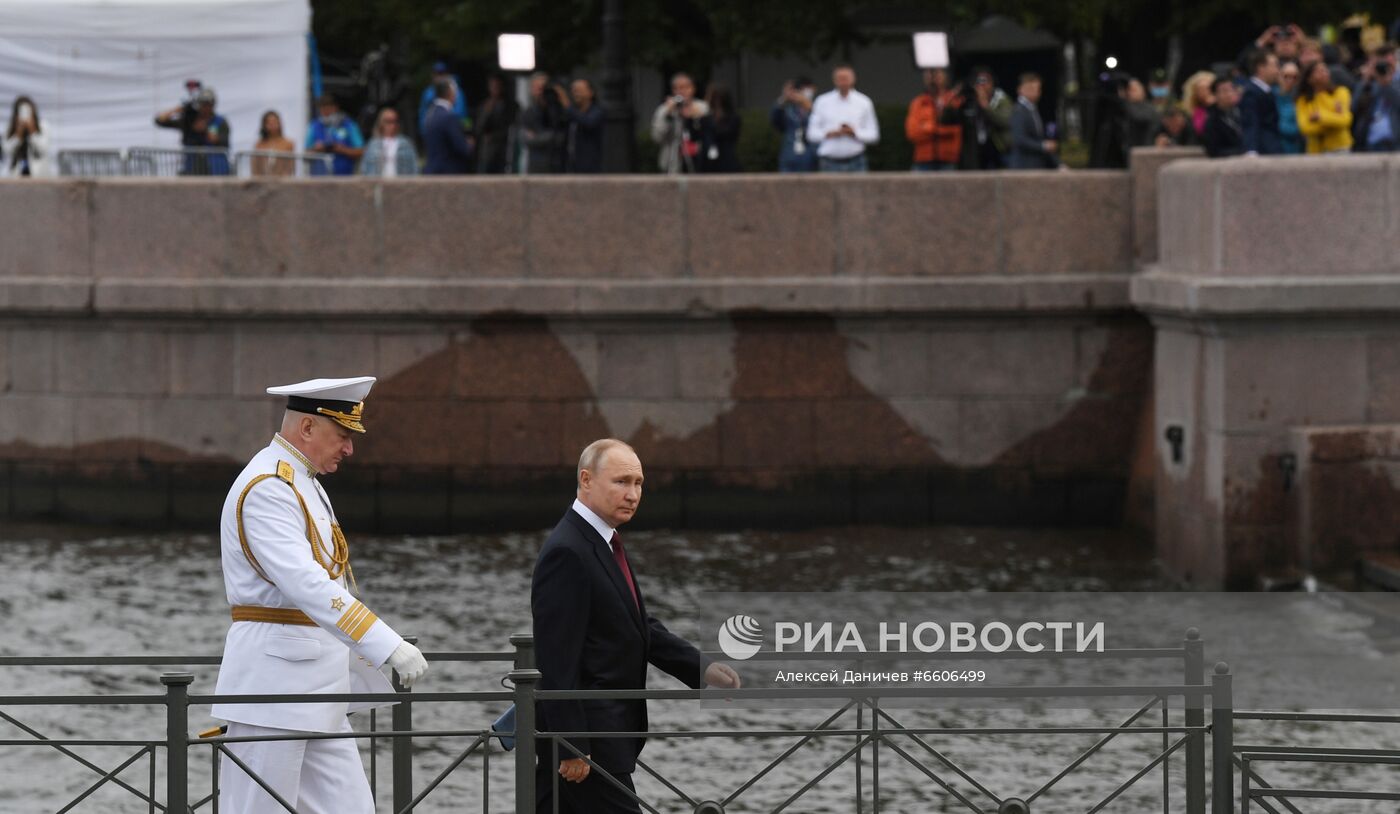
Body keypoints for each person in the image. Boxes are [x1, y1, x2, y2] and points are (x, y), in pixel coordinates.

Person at [214, 376, 428, 813]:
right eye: (342, 435)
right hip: (273, 692)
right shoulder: (269, 488)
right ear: (308, 428)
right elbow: (307, 583)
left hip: (317, 693)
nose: (349, 449)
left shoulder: (303, 482)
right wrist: (385, 643)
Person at [532, 439, 740, 814]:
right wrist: (571, 745)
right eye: (621, 482)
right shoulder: (569, 551)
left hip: (603, 739)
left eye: (639, 483)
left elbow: (638, 626)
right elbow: (555, 657)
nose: (632, 494)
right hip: (590, 745)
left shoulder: (602, 541)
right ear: (586, 480)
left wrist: (701, 667)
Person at [807, 64, 880, 172]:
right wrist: (829, 133)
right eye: (840, 79)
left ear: (853, 79)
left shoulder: (864, 102)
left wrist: (854, 133)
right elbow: (811, 134)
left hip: (856, 161)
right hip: (829, 162)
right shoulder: (822, 101)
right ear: (834, 80)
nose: (843, 82)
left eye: (846, 78)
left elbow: (874, 135)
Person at [945, 66, 1013, 170]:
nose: (983, 86)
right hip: (972, 153)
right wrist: (952, 97)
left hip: (998, 151)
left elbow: (1005, 121)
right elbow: (947, 120)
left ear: (993, 83)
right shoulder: (967, 100)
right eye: (979, 81)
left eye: (986, 81)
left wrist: (986, 106)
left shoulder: (1001, 99)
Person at [154, 84, 230, 175]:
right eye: (203, 104)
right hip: (192, 168)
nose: (205, 108)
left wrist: (205, 130)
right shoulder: (190, 121)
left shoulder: (220, 122)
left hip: (216, 169)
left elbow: (221, 141)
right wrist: (178, 109)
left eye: (208, 104)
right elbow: (160, 121)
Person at [905, 68, 962, 171]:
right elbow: (912, 133)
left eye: (937, 73)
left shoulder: (954, 100)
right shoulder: (918, 102)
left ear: (946, 76)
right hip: (923, 161)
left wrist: (926, 127)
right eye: (929, 74)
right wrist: (940, 129)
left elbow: (957, 130)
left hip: (948, 160)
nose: (933, 77)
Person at [650, 72, 708, 174]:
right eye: (678, 88)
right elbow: (657, 137)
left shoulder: (702, 108)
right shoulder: (665, 109)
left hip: (698, 162)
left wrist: (696, 117)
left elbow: (708, 135)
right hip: (672, 165)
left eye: (686, 87)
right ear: (673, 91)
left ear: (693, 89)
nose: (682, 92)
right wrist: (668, 115)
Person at [1296, 60, 1353, 154]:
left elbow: (1345, 120)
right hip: (1315, 150)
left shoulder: (1341, 92)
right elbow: (1305, 127)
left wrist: (1319, 117)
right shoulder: (1303, 100)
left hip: (1339, 148)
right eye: (1318, 71)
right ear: (1309, 78)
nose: (1324, 73)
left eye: (1325, 70)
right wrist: (1333, 120)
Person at [1352, 45, 1400, 153]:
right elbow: (1355, 108)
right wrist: (1366, 81)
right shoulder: (1371, 84)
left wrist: (1386, 84)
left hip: (1396, 142)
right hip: (1372, 143)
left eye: (1388, 57)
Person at [422, 77, 473, 175]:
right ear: (450, 93)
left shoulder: (430, 113)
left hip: (432, 170)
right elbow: (461, 147)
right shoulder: (449, 117)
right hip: (446, 172)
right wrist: (469, 144)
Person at [1007, 72, 1058, 169]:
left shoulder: (1032, 109)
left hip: (1035, 165)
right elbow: (1019, 139)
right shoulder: (1018, 111)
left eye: (1037, 89)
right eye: (1031, 88)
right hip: (1023, 166)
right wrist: (1043, 145)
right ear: (1020, 89)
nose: (1036, 92)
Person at [305, 94, 365, 175]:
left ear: (336, 108)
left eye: (329, 109)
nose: (326, 113)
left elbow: (360, 151)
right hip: (319, 179)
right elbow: (306, 154)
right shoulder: (314, 126)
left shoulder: (349, 125)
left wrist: (342, 149)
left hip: (345, 178)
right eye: (323, 110)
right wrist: (317, 149)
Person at [521, 72, 568, 174]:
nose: (540, 92)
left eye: (543, 88)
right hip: (535, 164)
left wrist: (537, 136)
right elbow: (526, 139)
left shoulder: (558, 111)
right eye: (537, 88)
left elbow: (561, 138)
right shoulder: (529, 112)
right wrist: (550, 136)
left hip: (557, 164)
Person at [1239, 50, 1282, 155]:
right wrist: (1251, 150)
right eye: (1274, 66)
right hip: (1265, 150)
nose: (1278, 70)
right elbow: (1251, 122)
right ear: (1261, 68)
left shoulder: (1266, 90)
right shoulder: (1251, 92)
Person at [474, 74, 519, 174]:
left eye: (497, 86)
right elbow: (478, 129)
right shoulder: (484, 106)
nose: (495, 89)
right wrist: (487, 112)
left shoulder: (510, 106)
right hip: (487, 153)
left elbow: (510, 127)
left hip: (504, 151)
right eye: (492, 86)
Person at [769, 76, 816, 172]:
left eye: (804, 89)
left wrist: (808, 106)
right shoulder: (788, 110)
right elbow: (775, 120)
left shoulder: (819, 106)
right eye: (799, 89)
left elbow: (822, 122)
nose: (801, 93)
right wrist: (784, 98)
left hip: (811, 156)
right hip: (789, 156)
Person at [361, 107, 419, 176]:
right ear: (381, 123)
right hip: (378, 185)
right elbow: (365, 169)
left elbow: (414, 168)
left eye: (395, 121)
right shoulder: (372, 144)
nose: (392, 125)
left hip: (401, 184)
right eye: (388, 121)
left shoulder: (406, 143)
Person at [4, 95, 51, 177]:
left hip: (38, 174)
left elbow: (44, 149)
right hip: (16, 174)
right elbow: (7, 151)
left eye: (27, 111)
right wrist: (18, 136)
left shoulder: (43, 126)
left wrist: (33, 132)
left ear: (33, 110)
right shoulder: (10, 127)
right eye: (21, 111)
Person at [699, 83, 741, 172]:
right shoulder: (705, 118)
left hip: (727, 159)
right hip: (707, 161)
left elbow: (728, 134)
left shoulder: (733, 118)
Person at [565, 78, 604, 174]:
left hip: (590, 165)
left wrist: (566, 105)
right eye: (574, 90)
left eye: (579, 90)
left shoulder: (597, 111)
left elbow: (588, 123)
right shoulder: (572, 113)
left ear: (590, 93)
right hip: (572, 164)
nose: (576, 93)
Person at [417, 61, 467, 134]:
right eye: (437, 73)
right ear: (433, 75)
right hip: (433, 132)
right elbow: (423, 114)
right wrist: (424, 132)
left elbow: (463, 114)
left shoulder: (456, 90)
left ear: (447, 74)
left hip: (454, 130)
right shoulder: (427, 93)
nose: (439, 77)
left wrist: (467, 132)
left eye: (442, 73)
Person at [1202, 77, 1246, 158]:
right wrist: (1242, 152)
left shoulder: (1244, 111)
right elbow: (1213, 151)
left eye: (1232, 89)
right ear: (1215, 95)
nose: (1230, 94)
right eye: (1225, 91)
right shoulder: (1212, 120)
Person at [251, 110, 296, 177]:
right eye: (269, 123)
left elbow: (290, 167)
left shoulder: (288, 144)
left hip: (282, 182)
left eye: (274, 122)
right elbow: (255, 168)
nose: (272, 125)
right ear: (264, 125)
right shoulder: (259, 145)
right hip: (262, 182)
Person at [1275, 61, 1304, 154]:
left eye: (1295, 77)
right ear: (1279, 76)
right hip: (1279, 148)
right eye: (1286, 76)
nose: (1290, 80)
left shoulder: (1303, 97)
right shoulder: (1271, 96)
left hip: (1301, 148)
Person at [1182, 70, 1217, 137]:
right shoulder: (1194, 112)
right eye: (1200, 89)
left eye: (1207, 88)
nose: (1204, 92)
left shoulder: (1220, 108)